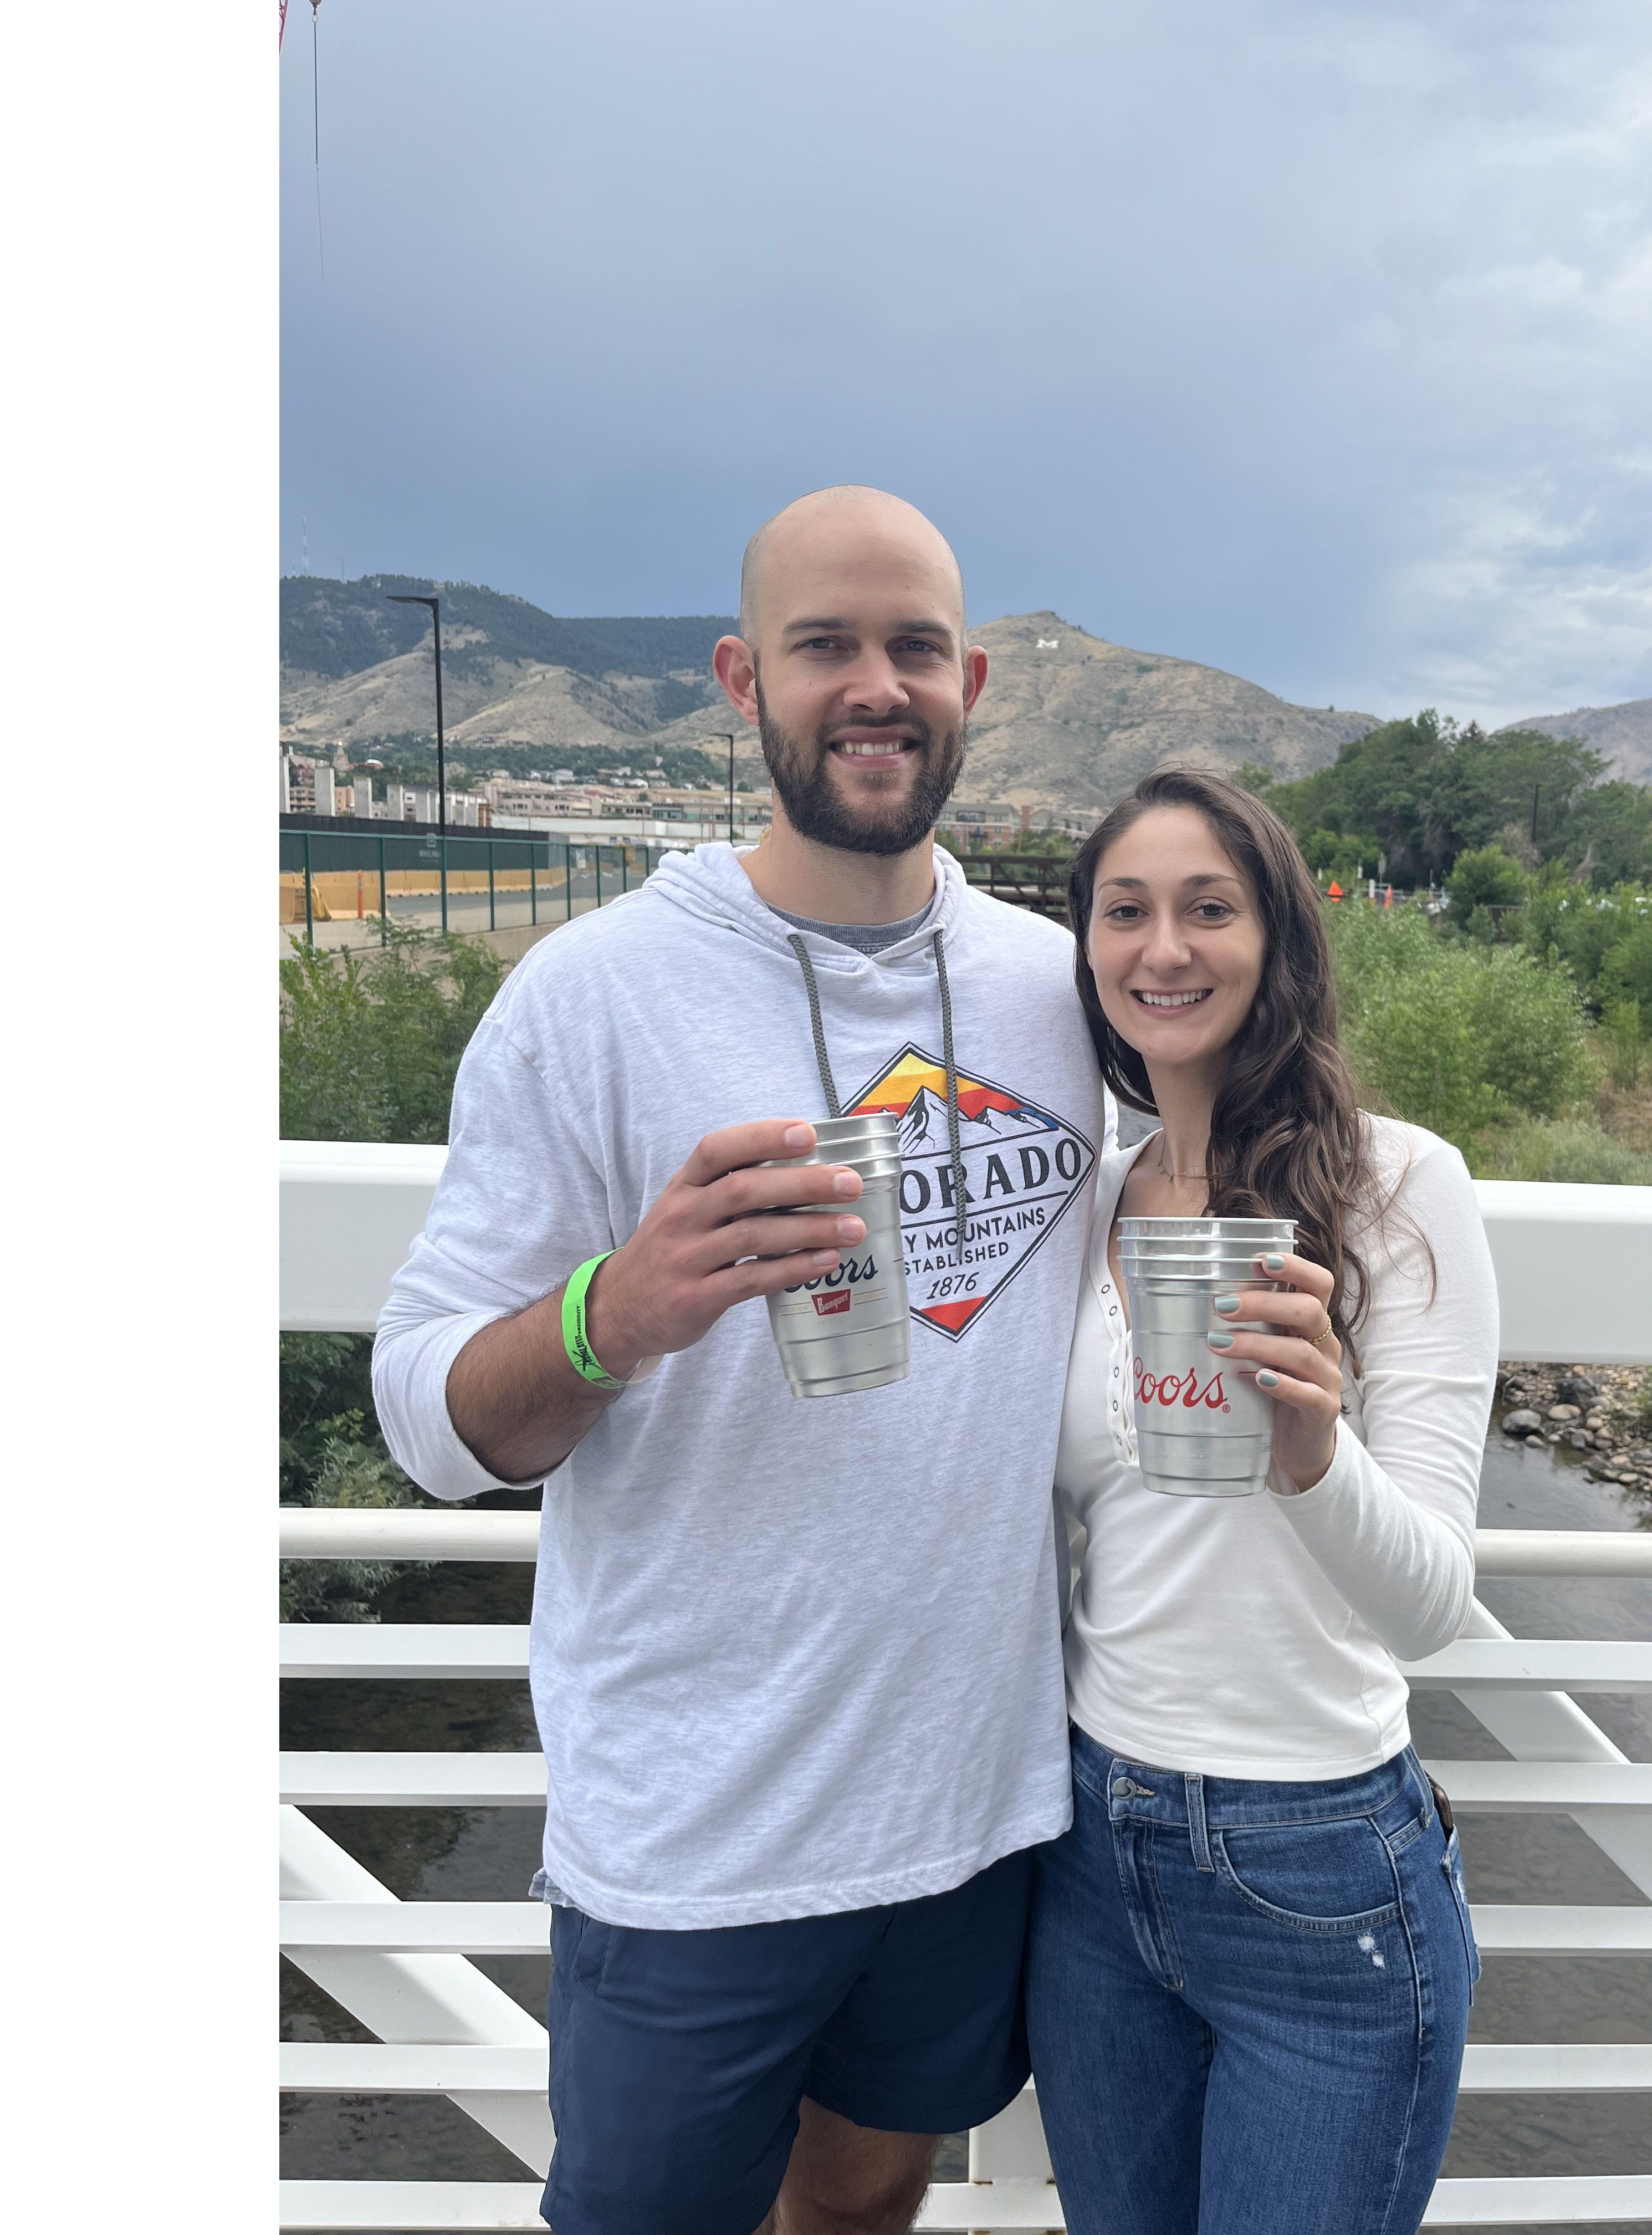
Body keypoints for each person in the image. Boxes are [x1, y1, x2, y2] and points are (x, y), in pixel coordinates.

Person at [372, 487, 1107, 2235]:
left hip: (971, 1803)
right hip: (693, 1834)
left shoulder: (1063, 989)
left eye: (915, 647)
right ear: (740, 679)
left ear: (972, 683)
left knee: (864, 2203)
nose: (877, 685)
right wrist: (614, 1311)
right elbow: (424, 1416)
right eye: (825, 645)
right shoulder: (593, 995)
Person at [1025, 767, 1497, 2234]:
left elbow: (1433, 1605)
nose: (1164, 948)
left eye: (1209, 909)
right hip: (1091, 1847)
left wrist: (1314, 1452)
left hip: (1320, 1866)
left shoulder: (1400, 1189)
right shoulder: (1084, 1202)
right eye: (1126, 911)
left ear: (1277, 938)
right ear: (1089, 952)